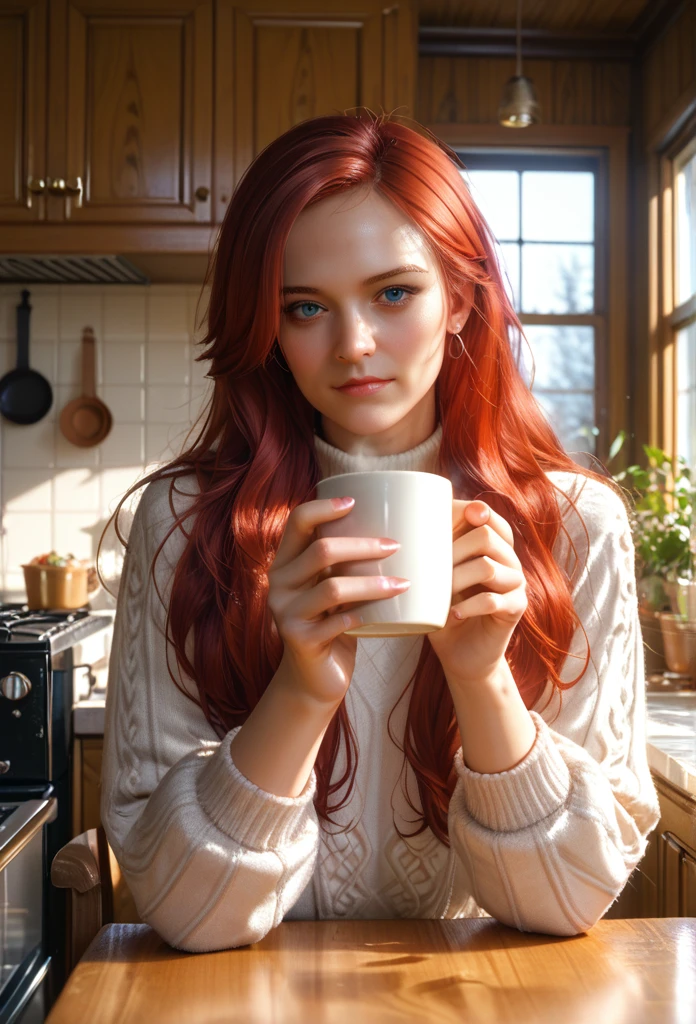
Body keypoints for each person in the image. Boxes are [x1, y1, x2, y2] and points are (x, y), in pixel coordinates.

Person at [99, 109, 660, 953]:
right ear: (268, 329)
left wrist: (483, 682)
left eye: (394, 293)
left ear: (462, 300)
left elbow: (569, 899)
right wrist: (301, 689)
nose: (354, 344)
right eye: (304, 307)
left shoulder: (575, 526)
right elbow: (181, 910)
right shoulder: (186, 526)